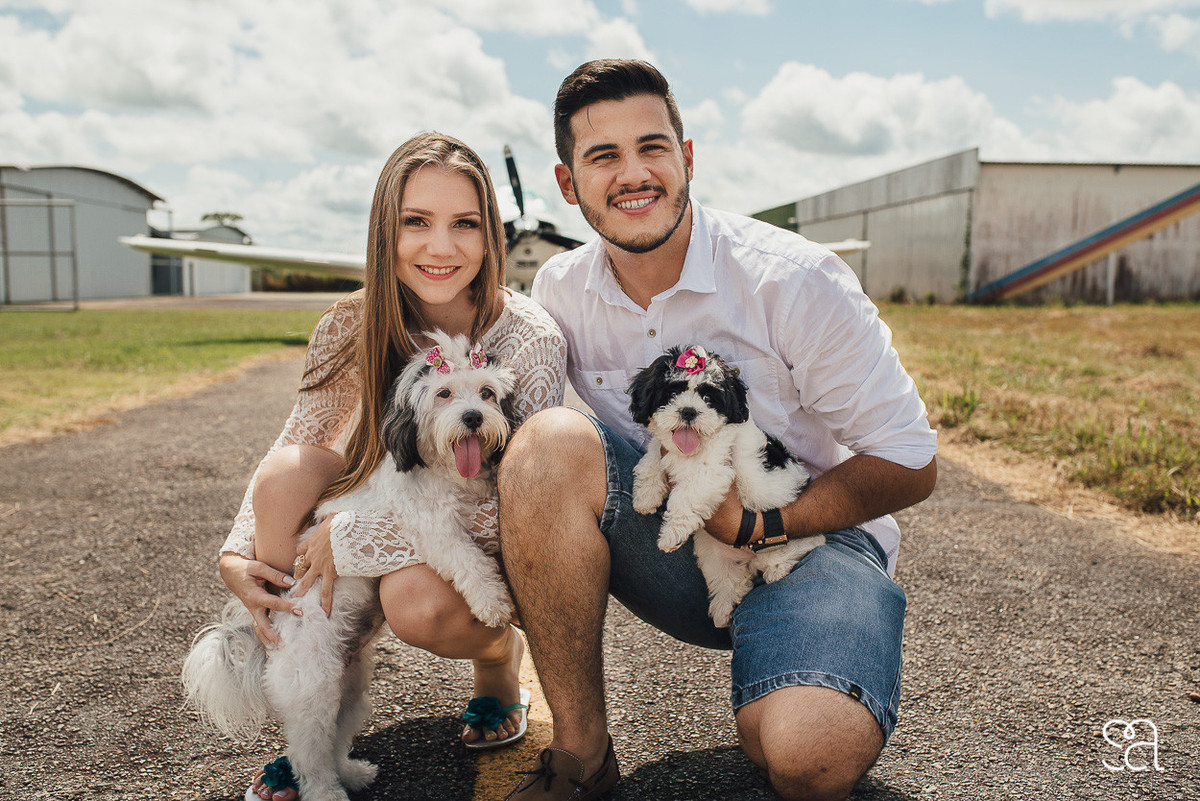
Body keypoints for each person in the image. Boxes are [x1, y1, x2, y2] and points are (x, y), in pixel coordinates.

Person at [497, 60, 938, 801]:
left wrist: (764, 520)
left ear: (688, 157)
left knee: (809, 755)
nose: (634, 174)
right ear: (568, 185)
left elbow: (911, 460)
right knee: (543, 444)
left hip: (813, 540)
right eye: (603, 157)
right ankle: (580, 756)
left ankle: (788, 683)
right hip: (677, 541)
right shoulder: (558, 290)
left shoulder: (796, 280)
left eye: (653, 147)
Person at [216, 132, 567, 801]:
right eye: (416, 221)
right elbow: (294, 443)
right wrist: (235, 559)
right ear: (386, 230)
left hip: (478, 544)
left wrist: (348, 540)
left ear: (491, 231)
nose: (441, 246)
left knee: (414, 602)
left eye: (464, 222)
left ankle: (497, 659)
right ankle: (305, 713)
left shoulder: (530, 339)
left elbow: (518, 505)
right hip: (393, 513)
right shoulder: (351, 323)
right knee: (287, 473)